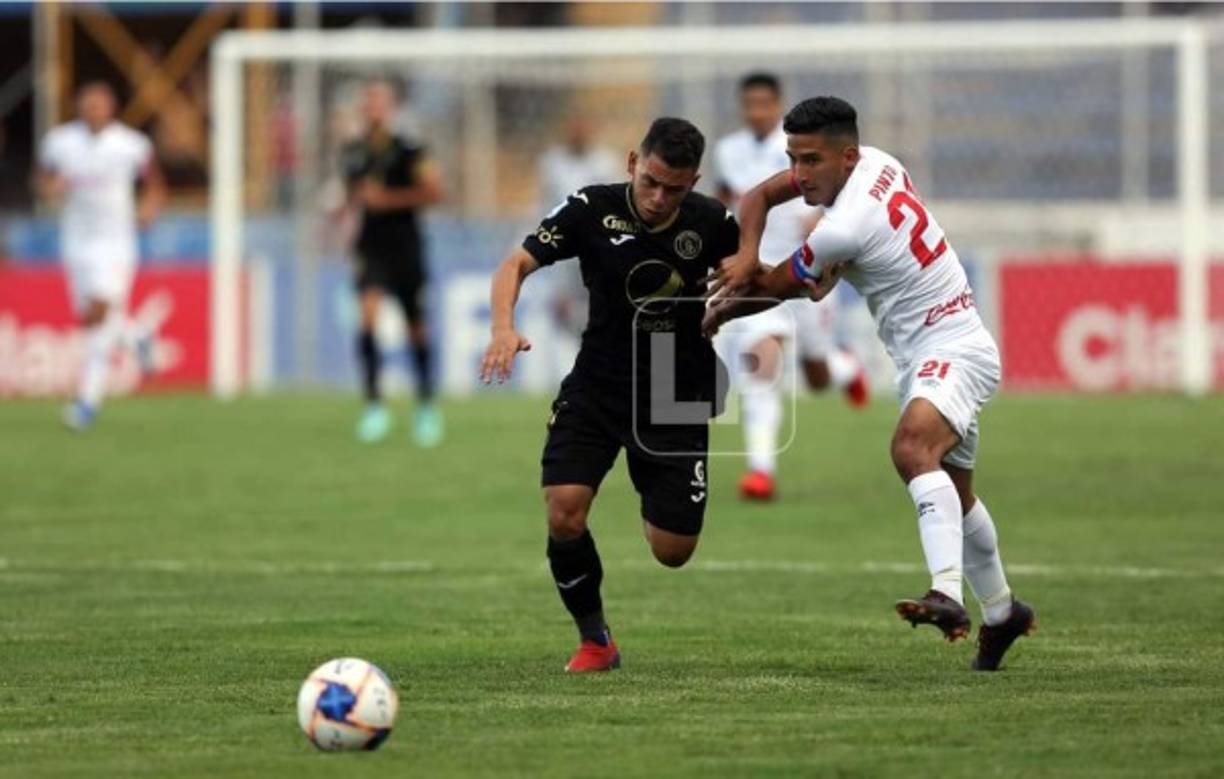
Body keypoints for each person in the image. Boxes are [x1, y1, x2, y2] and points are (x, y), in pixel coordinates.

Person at [705, 96, 1035, 671]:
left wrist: (713, 312)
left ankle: (947, 597)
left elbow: (776, 287)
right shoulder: (878, 162)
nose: (800, 174)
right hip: (931, 351)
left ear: (845, 155)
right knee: (955, 496)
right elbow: (758, 196)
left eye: (811, 161)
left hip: (953, 348)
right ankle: (1005, 613)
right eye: (794, 159)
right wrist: (747, 253)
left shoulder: (844, 228)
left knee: (910, 448)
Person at [481, 117, 738, 673]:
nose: (657, 197)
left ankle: (657, 490)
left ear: (693, 182)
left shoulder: (715, 222)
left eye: (674, 188)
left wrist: (737, 302)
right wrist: (503, 326)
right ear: (631, 163)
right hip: (599, 379)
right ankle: (596, 640)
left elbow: (752, 280)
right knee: (564, 510)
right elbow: (515, 263)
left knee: (673, 551)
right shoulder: (589, 207)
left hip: (675, 386)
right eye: (650, 181)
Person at [712, 72, 868, 502]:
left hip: (806, 266)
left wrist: (822, 224)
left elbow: (843, 198)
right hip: (759, 274)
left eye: (765, 103)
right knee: (762, 365)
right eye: (750, 104)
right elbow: (725, 201)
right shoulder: (728, 151)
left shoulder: (806, 145)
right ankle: (761, 470)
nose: (757, 111)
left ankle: (847, 368)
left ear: (777, 104)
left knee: (816, 375)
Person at [36, 81, 166, 431]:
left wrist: (148, 209)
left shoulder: (131, 145)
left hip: (116, 242)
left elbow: (154, 183)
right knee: (93, 320)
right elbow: (43, 181)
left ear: (111, 107)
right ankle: (136, 334)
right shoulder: (60, 142)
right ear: (79, 107)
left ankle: (86, 403)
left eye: (100, 104)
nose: (94, 110)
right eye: (88, 104)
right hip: (77, 241)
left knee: (97, 313)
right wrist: (52, 188)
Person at [340, 79, 445, 446]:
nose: (373, 109)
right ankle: (374, 406)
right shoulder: (353, 151)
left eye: (379, 103)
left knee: (415, 326)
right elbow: (353, 198)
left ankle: (426, 406)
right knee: (367, 319)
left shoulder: (409, 148)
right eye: (368, 102)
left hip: (405, 246)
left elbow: (434, 191)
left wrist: (387, 199)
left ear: (391, 109)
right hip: (371, 248)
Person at [537, 117, 620, 344]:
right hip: (565, 248)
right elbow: (544, 206)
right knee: (564, 311)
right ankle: (583, 352)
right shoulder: (552, 164)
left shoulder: (605, 163)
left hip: (598, 247)